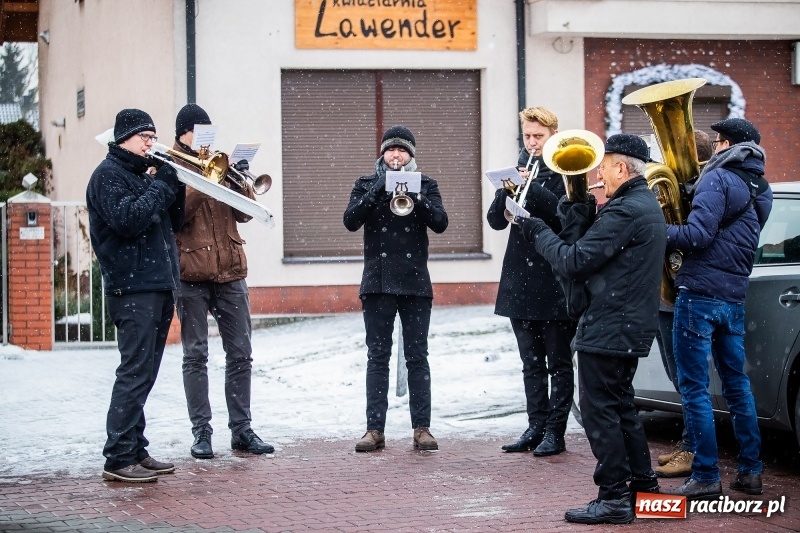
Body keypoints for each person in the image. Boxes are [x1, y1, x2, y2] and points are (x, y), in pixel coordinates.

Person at [517, 134, 664, 524]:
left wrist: (536, 230)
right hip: (625, 321)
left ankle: (614, 496)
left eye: (605, 165)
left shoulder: (625, 210)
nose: (598, 172)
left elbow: (574, 260)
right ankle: (644, 491)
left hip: (612, 323)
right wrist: (578, 211)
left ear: (621, 167)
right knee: (622, 408)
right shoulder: (639, 204)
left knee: (602, 414)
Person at [663, 118, 772, 499]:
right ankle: (750, 472)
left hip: (700, 294)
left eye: (719, 141)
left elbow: (697, 236)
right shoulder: (762, 186)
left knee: (694, 387)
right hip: (733, 296)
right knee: (737, 385)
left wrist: (655, 230)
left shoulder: (718, 178)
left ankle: (707, 475)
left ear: (725, 145)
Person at [87, 109, 185, 483]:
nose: (151, 143)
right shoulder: (108, 177)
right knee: (133, 372)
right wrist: (161, 186)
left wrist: (177, 187)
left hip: (157, 284)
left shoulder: (143, 175)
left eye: (152, 136)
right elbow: (128, 220)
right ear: (123, 138)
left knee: (145, 373)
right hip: (132, 288)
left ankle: (135, 448)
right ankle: (117, 457)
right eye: (145, 136)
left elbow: (172, 222)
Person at [171, 103, 274, 459]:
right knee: (196, 355)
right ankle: (201, 432)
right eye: (196, 132)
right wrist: (204, 182)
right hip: (191, 274)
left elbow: (245, 215)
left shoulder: (219, 162)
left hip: (230, 270)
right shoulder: (169, 167)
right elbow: (175, 216)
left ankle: (242, 430)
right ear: (182, 134)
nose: (203, 138)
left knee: (241, 353)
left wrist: (239, 180)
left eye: (207, 132)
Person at [343, 125, 448, 452]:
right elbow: (350, 220)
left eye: (402, 151)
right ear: (383, 153)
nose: (396, 155)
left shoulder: (426, 184)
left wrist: (416, 197)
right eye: (391, 150)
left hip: (415, 282)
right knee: (378, 356)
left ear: (411, 156)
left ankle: (422, 428)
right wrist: (377, 189)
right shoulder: (364, 183)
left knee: (418, 356)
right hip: (377, 282)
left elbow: (441, 223)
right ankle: (375, 430)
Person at [487, 107, 575, 456]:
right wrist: (504, 191)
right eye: (527, 136)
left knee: (559, 362)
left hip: (553, 279)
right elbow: (496, 222)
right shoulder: (521, 167)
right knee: (531, 363)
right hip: (520, 278)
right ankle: (535, 426)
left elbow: (563, 216)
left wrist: (532, 188)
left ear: (553, 133)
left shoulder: (567, 168)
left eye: (538, 136)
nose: (532, 142)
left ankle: (556, 431)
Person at [653, 129, 713, 478]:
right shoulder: (674, 188)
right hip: (665, 296)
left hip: (684, 296)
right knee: (678, 378)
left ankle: (694, 448)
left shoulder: (705, 193)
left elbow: (694, 237)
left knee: (690, 380)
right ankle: (690, 439)